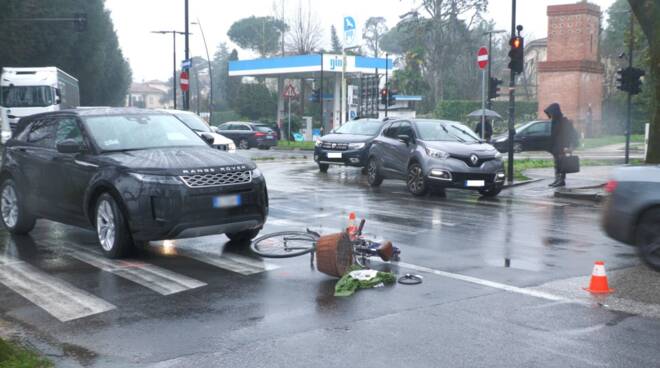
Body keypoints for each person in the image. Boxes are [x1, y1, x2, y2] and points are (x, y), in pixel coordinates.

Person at [544, 103, 578, 187]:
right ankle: (557, 179)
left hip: (562, 146)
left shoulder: (564, 121)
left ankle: (561, 180)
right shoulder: (554, 121)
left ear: (555, 112)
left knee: (562, 163)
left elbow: (572, 134)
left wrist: (570, 147)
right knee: (557, 164)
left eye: (551, 113)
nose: (550, 115)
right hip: (556, 147)